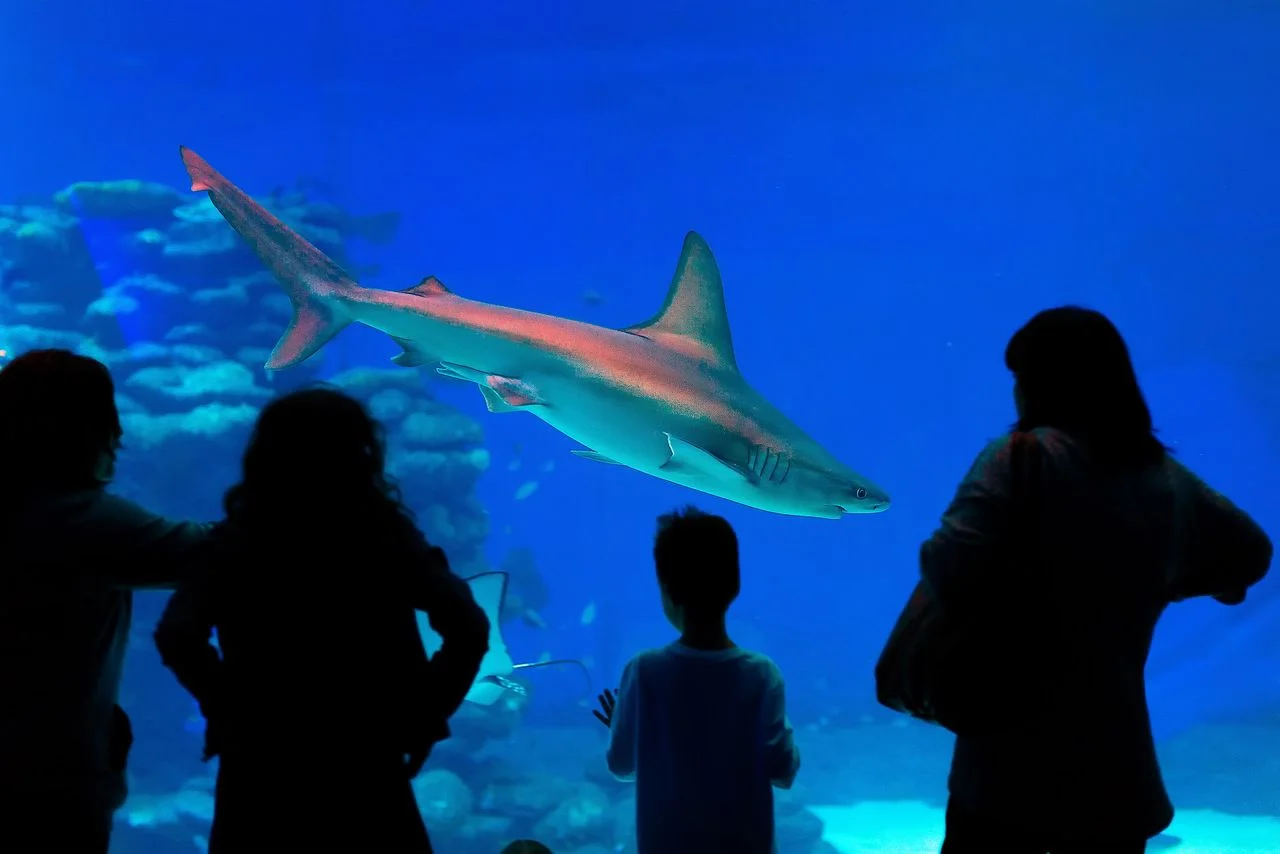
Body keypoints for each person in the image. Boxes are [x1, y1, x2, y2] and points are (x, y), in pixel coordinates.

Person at [921, 306, 1273, 853]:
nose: (1016, 392)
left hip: (1007, 757)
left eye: (1021, 377)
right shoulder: (1162, 476)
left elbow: (948, 561)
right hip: (1116, 770)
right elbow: (1250, 552)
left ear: (1041, 384)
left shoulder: (1020, 458)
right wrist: (1160, 581)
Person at [153, 385, 490, 853]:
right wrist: (422, 715)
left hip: (260, 762)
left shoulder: (235, 542)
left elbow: (177, 634)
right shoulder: (383, 538)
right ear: (362, 455)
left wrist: (228, 705)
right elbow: (467, 626)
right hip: (365, 755)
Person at [0, 348, 211, 852]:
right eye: (107, 425)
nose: (118, 442)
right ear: (88, 434)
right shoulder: (75, 518)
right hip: (48, 790)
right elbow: (213, 553)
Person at [595, 506, 800, 854]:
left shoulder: (644, 671)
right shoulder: (761, 674)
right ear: (734, 586)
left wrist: (622, 725)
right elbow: (783, 771)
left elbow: (622, 765)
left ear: (665, 590)